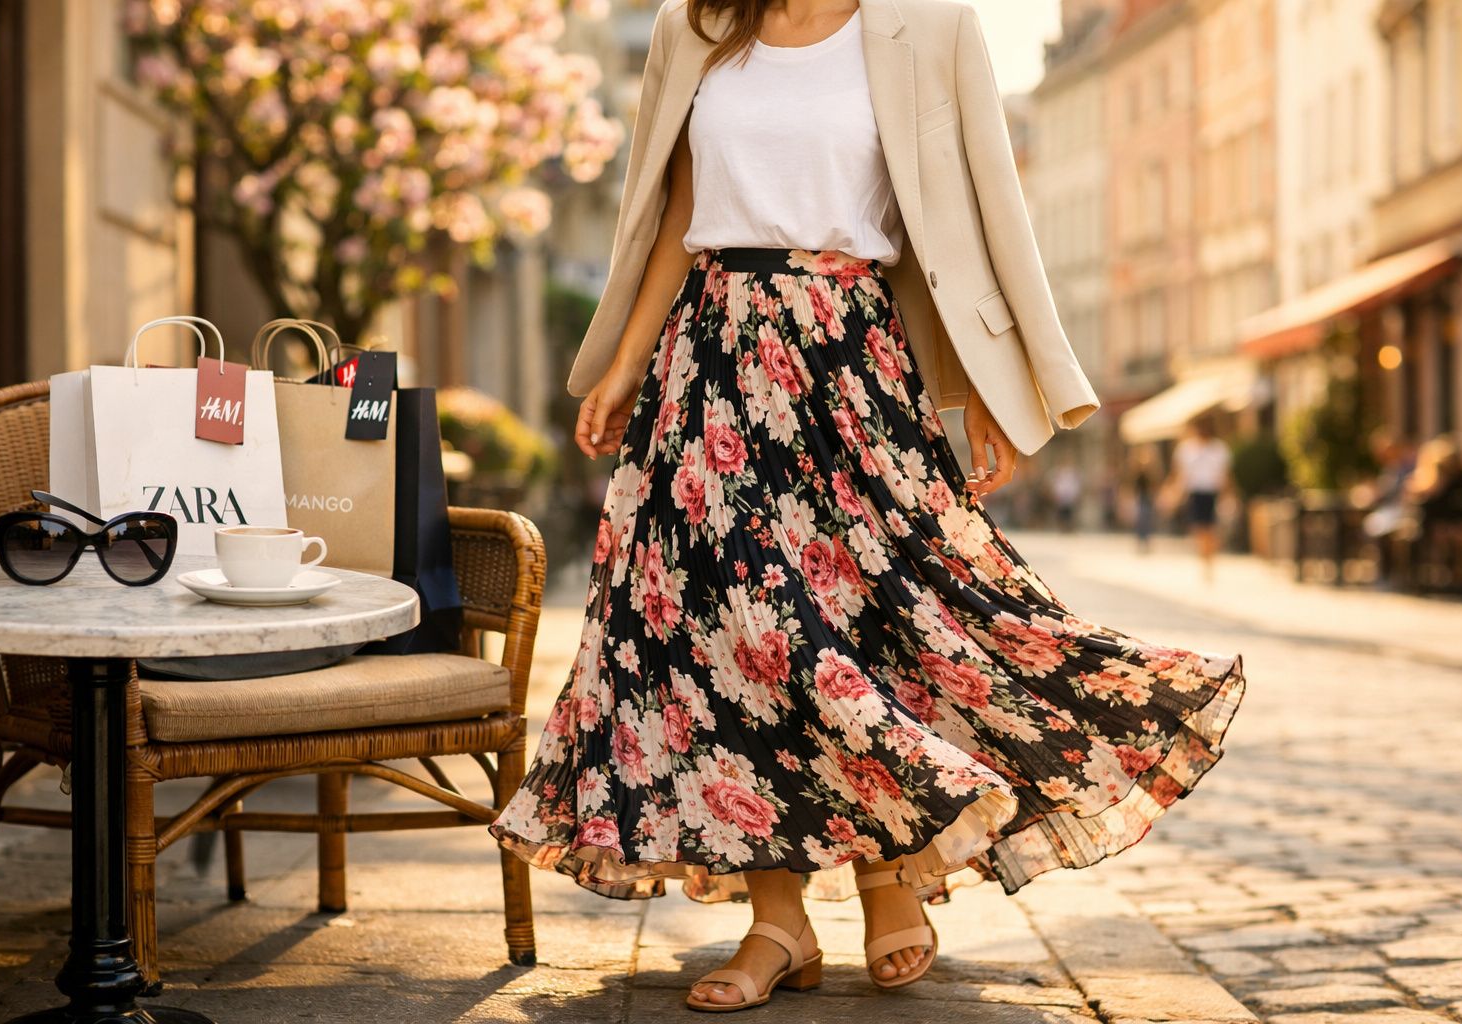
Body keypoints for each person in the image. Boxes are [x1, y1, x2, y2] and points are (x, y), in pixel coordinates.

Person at [490, 0, 1248, 1011]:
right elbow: (676, 211)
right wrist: (625, 361)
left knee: (878, 614)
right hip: (710, 362)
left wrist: (989, 379)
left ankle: (890, 872)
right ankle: (777, 918)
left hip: (853, 360)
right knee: (736, 635)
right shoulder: (698, 27)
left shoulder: (930, 28)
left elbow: (986, 208)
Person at [1168, 415, 1232, 581]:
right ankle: (1205, 559)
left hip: (1211, 492)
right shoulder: (1186, 449)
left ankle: (1209, 560)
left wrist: (1226, 495)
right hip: (1195, 493)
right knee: (1199, 529)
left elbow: (1224, 475)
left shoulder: (1218, 448)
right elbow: (1180, 474)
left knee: (1210, 529)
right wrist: (1175, 494)